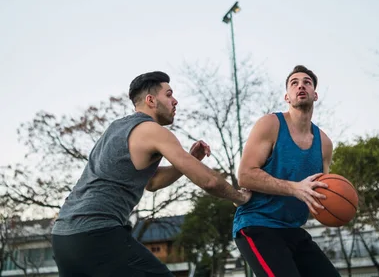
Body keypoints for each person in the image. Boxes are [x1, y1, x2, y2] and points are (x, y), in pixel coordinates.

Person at [52, 71, 251, 277]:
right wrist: (240, 197)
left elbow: (152, 181)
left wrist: (189, 160)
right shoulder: (152, 130)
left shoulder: (116, 128)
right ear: (151, 100)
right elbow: (209, 181)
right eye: (169, 94)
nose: (175, 101)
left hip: (63, 238)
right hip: (96, 234)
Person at [233, 65, 340, 277]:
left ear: (315, 94)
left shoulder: (324, 143)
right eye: (294, 83)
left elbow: (323, 194)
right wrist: (295, 188)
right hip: (257, 224)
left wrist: (336, 208)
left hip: (292, 229)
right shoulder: (270, 124)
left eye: (307, 82)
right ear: (287, 97)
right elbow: (245, 174)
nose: (301, 85)